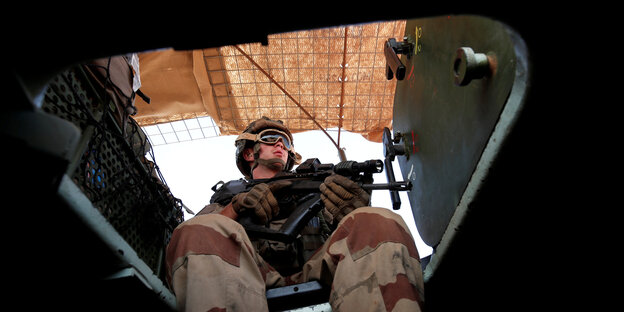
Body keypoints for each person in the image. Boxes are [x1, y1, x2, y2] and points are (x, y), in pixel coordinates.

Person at [166, 117, 424, 311]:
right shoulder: (229, 197)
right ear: (249, 152)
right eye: (270, 138)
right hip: (250, 275)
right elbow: (199, 235)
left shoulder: (314, 188)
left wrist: (355, 210)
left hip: (315, 273)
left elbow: (352, 241)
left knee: (377, 221)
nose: (280, 143)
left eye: (286, 142)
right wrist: (237, 208)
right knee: (199, 230)